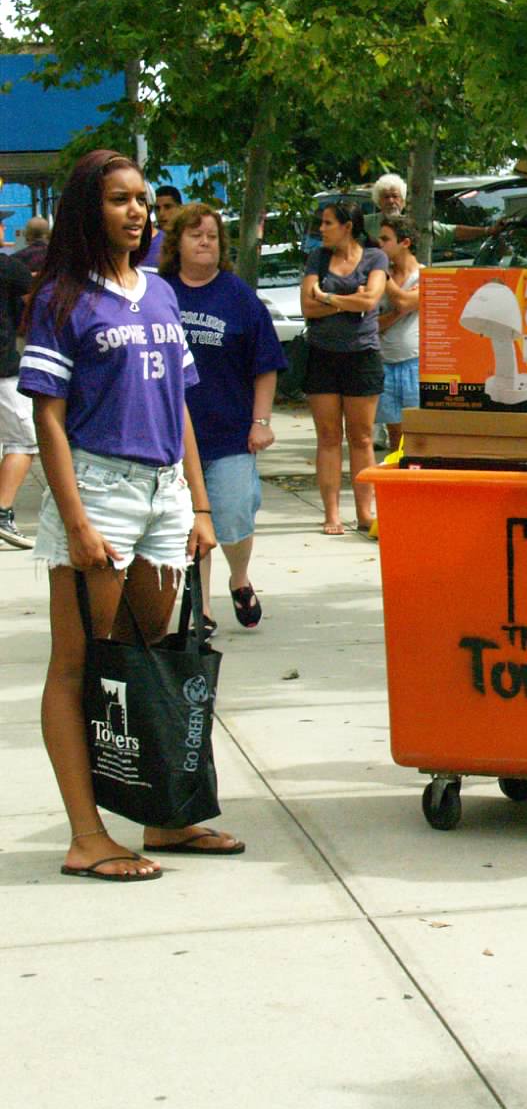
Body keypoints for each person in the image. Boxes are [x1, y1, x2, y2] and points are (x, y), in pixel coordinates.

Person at [19, 148, 245, 882]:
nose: (137, 210)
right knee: (81, 663)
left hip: (163, 494)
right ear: (91, 208)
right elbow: (47, 419)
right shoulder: (60, 297)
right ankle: (87, 835)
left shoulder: (158, 292)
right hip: (98, 488)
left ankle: (164, 816)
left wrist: (200, 500)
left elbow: (176, 400)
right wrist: (78, 521)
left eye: (143, 198)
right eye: (120, 199)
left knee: (155, 655)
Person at [160, 202, 287, 631]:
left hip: (231, 432)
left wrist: (261, 421)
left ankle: (239, 577)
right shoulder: (159, 294)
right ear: (176, 243)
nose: (204, 242)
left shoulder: (239, 297)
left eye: (212, 236)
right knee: (191, 521)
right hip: (174, 436)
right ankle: (202, 610)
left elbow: (265, 363)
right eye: (195, 235)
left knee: (232, 515)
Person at [300, 199, 388, 535]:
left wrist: (328, 298)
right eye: (321, 223)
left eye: (327, 223)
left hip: (362, 355)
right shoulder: (317, 258)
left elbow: (371, 301)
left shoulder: (374, 257)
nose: (321, 230)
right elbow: (307, 305)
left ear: (348, 227)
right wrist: (347, 304)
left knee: (362, 438)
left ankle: (365, 513)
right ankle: (332, 514)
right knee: (328, 436)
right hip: (322, 354)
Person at [374, 214, 422, 453]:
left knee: (416, 429)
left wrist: (383, 276)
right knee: (394, 432)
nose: (380, 245)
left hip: (415, 361)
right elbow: (373, 323)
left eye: (386, 239)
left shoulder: (424, 276)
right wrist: (399, 312)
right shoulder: (379, 278)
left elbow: (403, 301)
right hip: (386, 362)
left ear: (405, 242)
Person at [0, 248, 37, 548]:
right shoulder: (9, 267)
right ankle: (1, 511)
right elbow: (36, 301)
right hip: (3, 370)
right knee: (25, 440)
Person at [367, 172, 504, 252]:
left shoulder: (414, 224)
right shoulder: (366, 223)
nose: (391, 201)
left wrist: (489, 230)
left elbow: (454, 231)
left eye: (395, 196)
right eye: (386, 197)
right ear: (378, 201)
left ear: (403, 200)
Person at [141, 184, 183, 272]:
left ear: (180, 208)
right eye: (157, 208)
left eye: (168, 207)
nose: (161, 213)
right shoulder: (145, 240)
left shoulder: (190, 238)